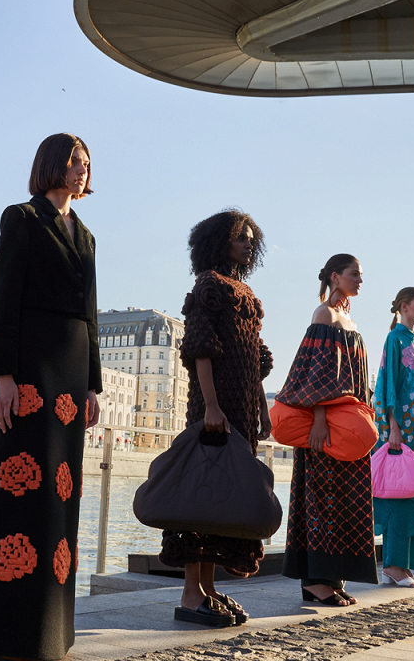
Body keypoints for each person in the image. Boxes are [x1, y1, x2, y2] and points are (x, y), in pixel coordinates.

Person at [0, 133, 102, 660]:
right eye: (73, 161)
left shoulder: (86, 236)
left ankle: (48, 628)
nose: (81, 169)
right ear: (50, 165)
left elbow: (91, 314)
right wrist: (2, 375)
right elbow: (3, 297)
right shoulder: (20, 218)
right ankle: (6, 628)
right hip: (29, 370)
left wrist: (92, 382)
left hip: (69, 376)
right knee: (18, 487)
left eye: (87, 162)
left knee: (58, 494)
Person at [162, 209, 273, 627]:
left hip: (241, 409)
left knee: (221, 499)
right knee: (201, 494)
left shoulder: (244, 291)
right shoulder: (209, 285)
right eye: (239, 237)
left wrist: (261, 407)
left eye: (249, 238)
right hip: (213, 407)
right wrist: (210, 406)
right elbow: (200, 349)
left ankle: (207, 589)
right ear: (219, 242)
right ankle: (191, 594)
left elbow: (256, 361)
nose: (247, 244)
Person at [280, 254, 377, 606]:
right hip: (326, 424)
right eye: (355, 274)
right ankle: (316, 582)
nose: (361, 280)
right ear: (335, 277)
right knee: (321, 497)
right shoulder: (324, 315)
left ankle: (333, 578)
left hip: (346, 424)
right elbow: (316, 371)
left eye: (361, 275)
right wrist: (319, 418)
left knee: (344, 496)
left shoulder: (348, 319)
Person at [372, 287, 414, 587]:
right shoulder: (394, 339)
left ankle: (407, 565)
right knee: (399, 493)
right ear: (404, 307)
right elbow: (387, 386)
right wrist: (393, 427)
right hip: (402, 431)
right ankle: (393, 565)